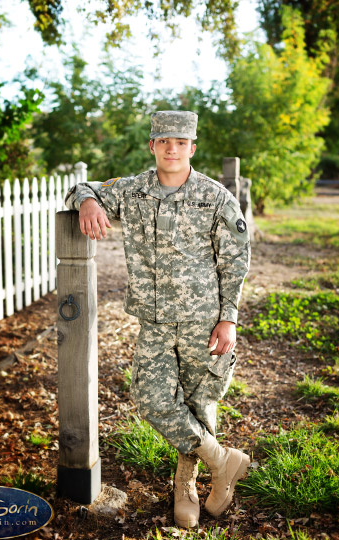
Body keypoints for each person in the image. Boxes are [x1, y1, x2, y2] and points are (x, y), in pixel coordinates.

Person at [65, 111, 250, 529]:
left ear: (192, 149)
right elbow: (81, 186)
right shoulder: (133, 191)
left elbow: (236, 260)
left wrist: (229, 319)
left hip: (204, 321)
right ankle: (224, 462)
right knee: (150, 398)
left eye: (180, 142)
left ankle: (187, 482)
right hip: (154, 321)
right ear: (152, 146)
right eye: (164, 141)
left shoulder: (215, 196)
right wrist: (90, 202)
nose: (172, 148)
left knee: (198, 403)